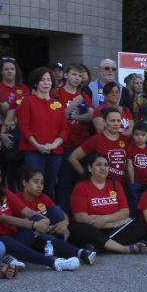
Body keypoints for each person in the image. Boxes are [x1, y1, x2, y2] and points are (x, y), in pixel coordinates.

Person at [0, 161, 83, 271]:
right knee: (24, 237)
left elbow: (27, 211)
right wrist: (34, 225)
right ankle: (54, 263)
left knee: (41, 233)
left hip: (17, 236)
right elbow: (4, 218)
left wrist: (44, 221)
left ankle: (81, 253)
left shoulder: (4, 192)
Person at [69, 152, 147, 254]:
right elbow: (81, 218)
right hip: (92, 229)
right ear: (89, 168)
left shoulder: (116, 185)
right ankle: (122, 249)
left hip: (113, 231)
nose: (103, 168)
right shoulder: (81, 187)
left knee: (138, 226)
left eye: (106, 165)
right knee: (80, 228)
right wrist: (112, 224)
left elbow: (125, 212)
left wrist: (105, 219)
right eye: (98, 165)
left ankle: (99, 246)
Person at [18, 67, 68, 197]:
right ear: (35, 83)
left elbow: (64, 129)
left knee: (49, 185)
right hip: (34, 150)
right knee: (33, 185)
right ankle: (33, 214)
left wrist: (54, 145)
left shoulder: (57, 104)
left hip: (55, 151)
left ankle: (49, 212)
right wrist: (38, 145)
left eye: (48, 80)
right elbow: (24, 127)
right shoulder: (28, 101)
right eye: (42, 80)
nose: (46, 83)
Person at [53, 64, 94, 204]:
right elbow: (56, 119)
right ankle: (64, 216)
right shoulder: (56, 93)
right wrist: (72, 106)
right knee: (65, 183)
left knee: (81, 182)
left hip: (82, 144)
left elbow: (92, 116)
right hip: (64, 144)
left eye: (80, 76)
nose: (77, 78)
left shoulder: (83, 94)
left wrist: (73, 117)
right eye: (74, 74)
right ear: (66, 75)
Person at [69, 107, 129, 190]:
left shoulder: (126, 140)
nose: (116, 123)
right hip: (101, 188)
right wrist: (88, 176)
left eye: (118, 121)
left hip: (123, 188)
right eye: (112, 121)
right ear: (104, 122)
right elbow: (73, 158)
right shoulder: (96, 140)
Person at [14, 167, 72, 243]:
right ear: (25, 183)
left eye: (42, 183)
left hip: (48, 229)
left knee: (56, 209)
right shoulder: (16, 198)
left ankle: (60, 239)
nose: (39, 186)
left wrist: (64, 223)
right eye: (36, 182)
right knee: (49, 238)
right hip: (31, 232)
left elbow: (62, 213)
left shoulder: (42, 197)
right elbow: (22, 222)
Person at [126, 121, 147, 212]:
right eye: (137, 134)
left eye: (143, 135)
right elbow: (130, 167)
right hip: (136, 183)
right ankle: (137, 222)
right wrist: (132, 183)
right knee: (136, 205)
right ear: (133, 135)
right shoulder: (131, 149)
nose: (139, 137)